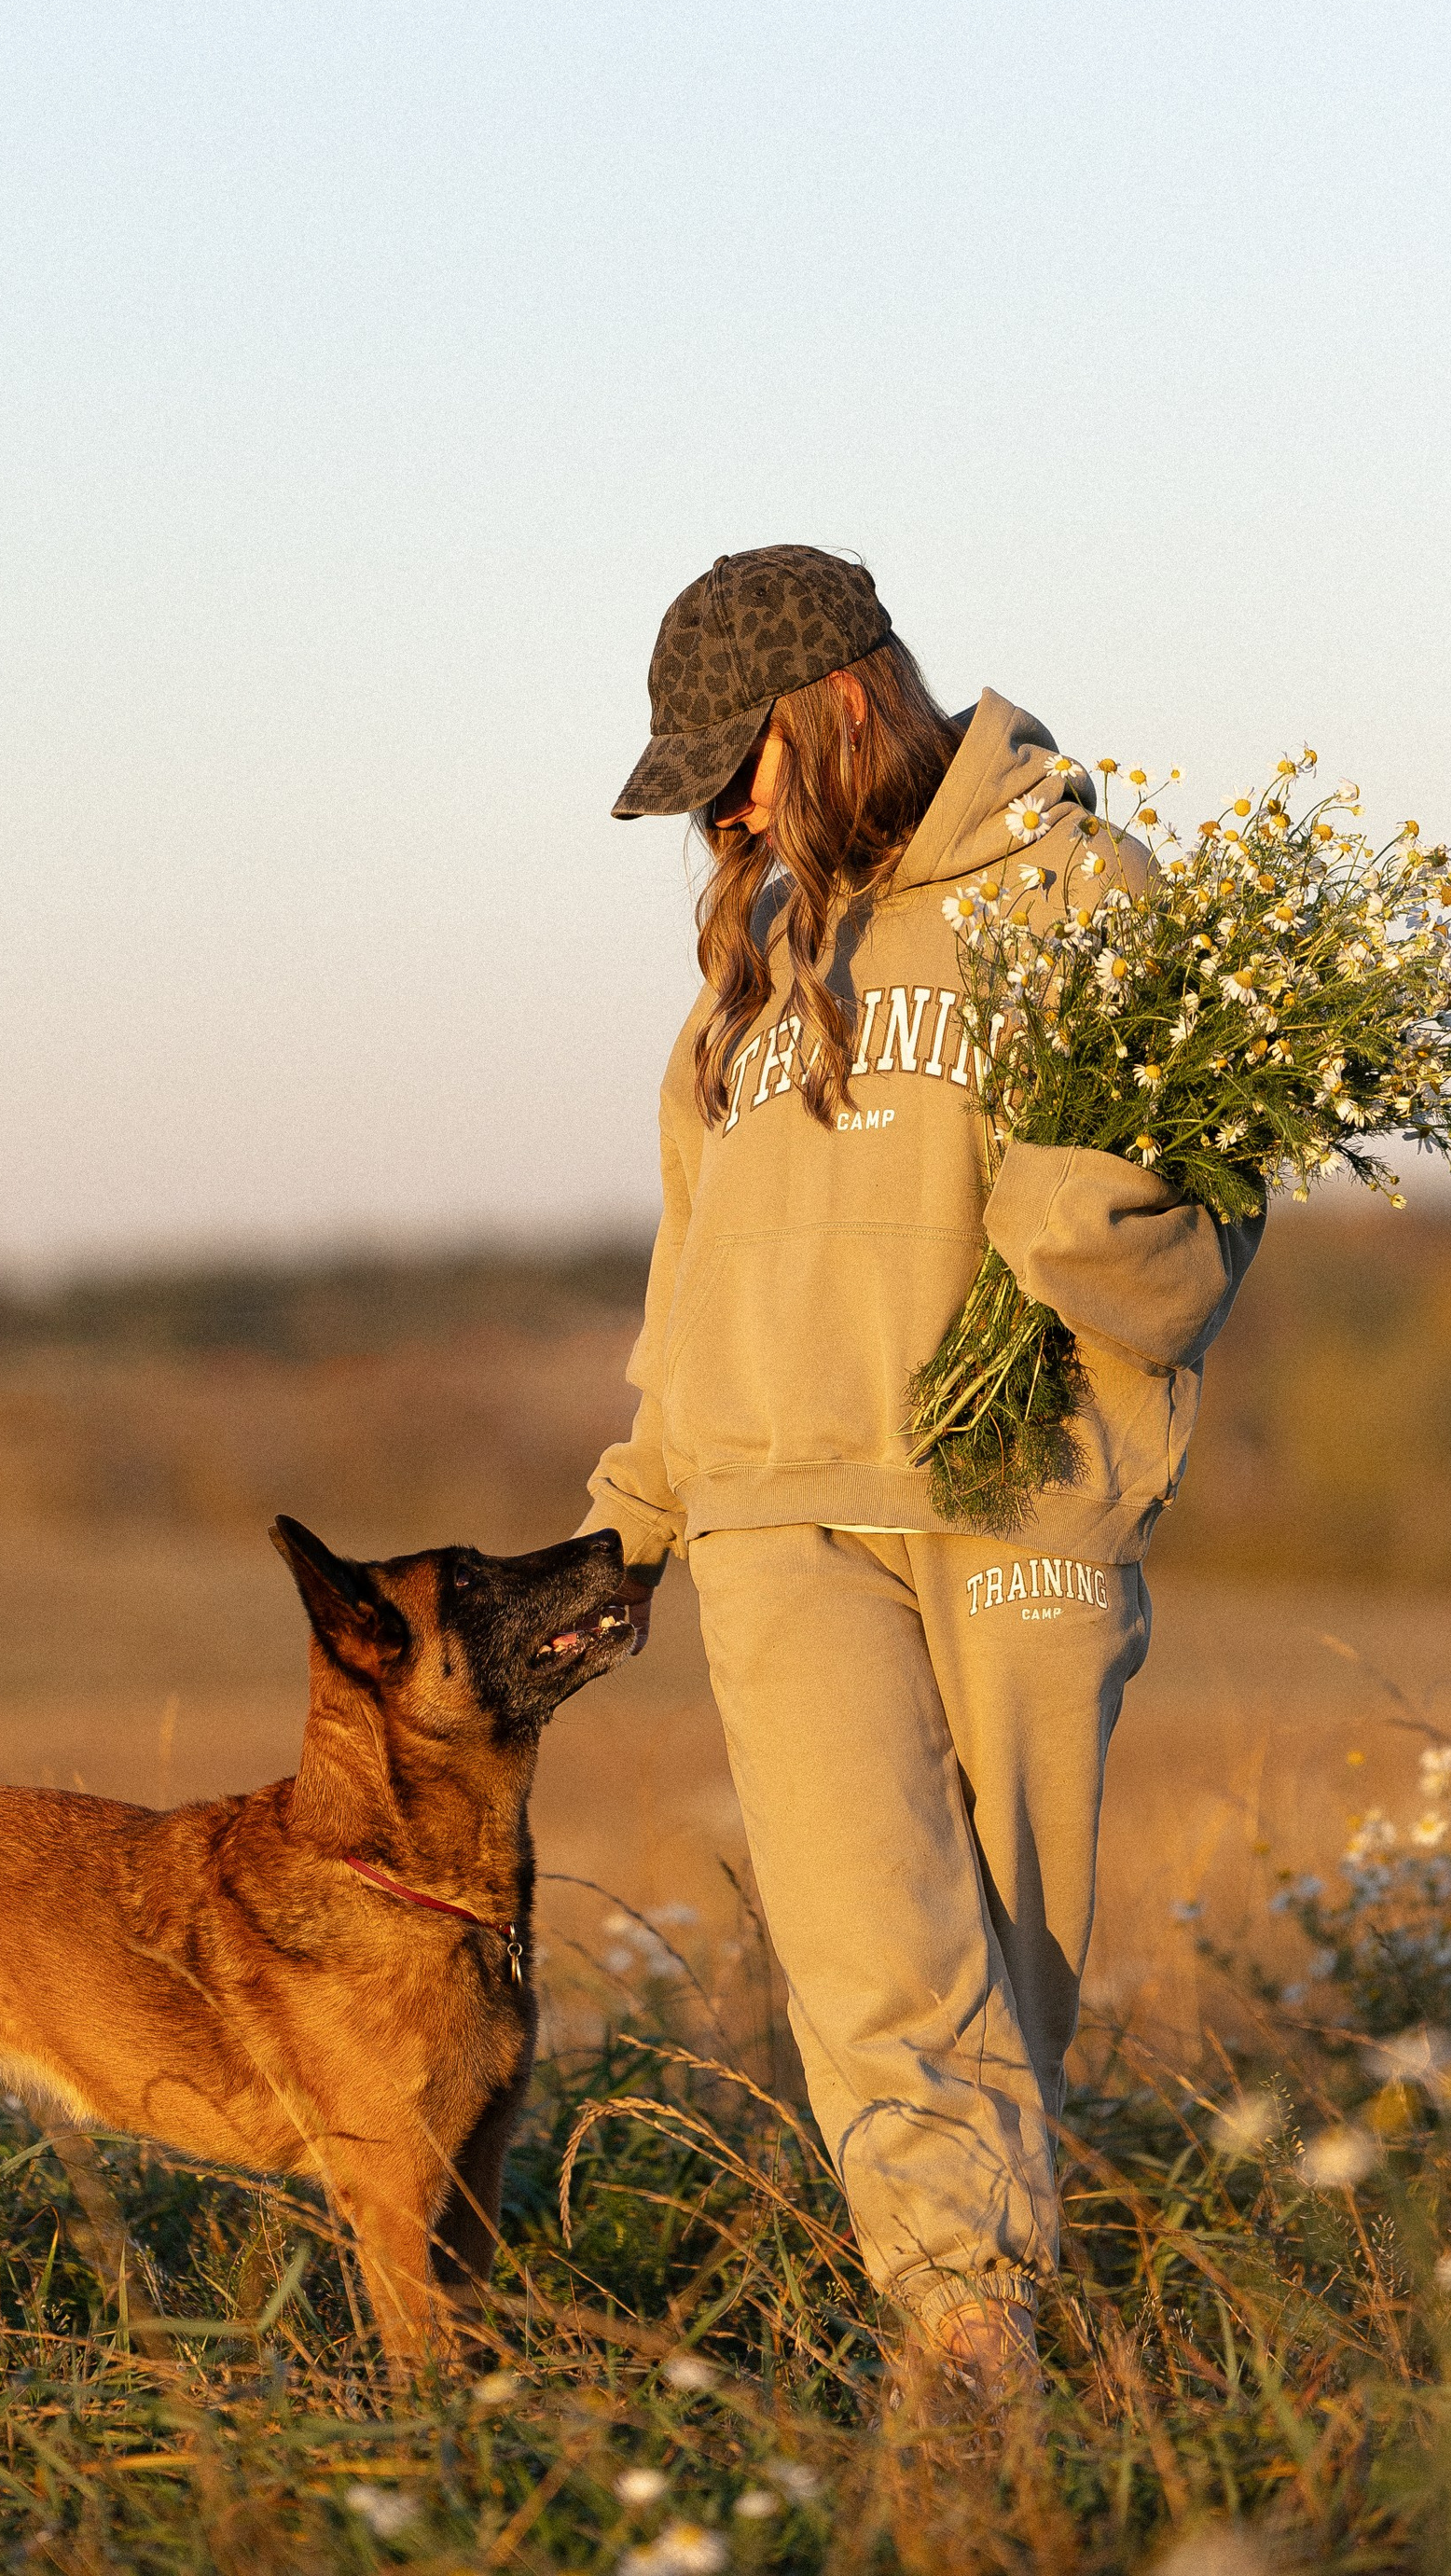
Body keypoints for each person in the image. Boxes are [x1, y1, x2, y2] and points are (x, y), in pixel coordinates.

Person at [579, 544, 1263, 2403]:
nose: (719, 808)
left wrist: (1068, 1197)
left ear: (839, 705)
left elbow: (1185, 1254)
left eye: (737, 761)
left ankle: (1009, 2331)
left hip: (1016, 1496)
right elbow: (691, 1246)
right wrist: (636, 1503)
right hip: (772, 1512)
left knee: (1006, 1966)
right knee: (865, 1946)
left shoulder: (1081, 886)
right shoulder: (762, 934)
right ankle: (961, 2346)